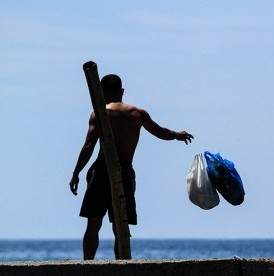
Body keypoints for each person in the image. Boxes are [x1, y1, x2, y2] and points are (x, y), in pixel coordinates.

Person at [69, 74, 193, 260]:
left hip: (101, 170)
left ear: (101, 93)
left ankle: (88, 265)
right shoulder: (137, 114)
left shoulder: (100, 113)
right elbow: (160, 132)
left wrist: (76, 173)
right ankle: (123, 265)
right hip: (124, 171)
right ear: (122, 91)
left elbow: (89, 146)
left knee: (93, 224)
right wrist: (177, 134)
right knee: (121, 226)